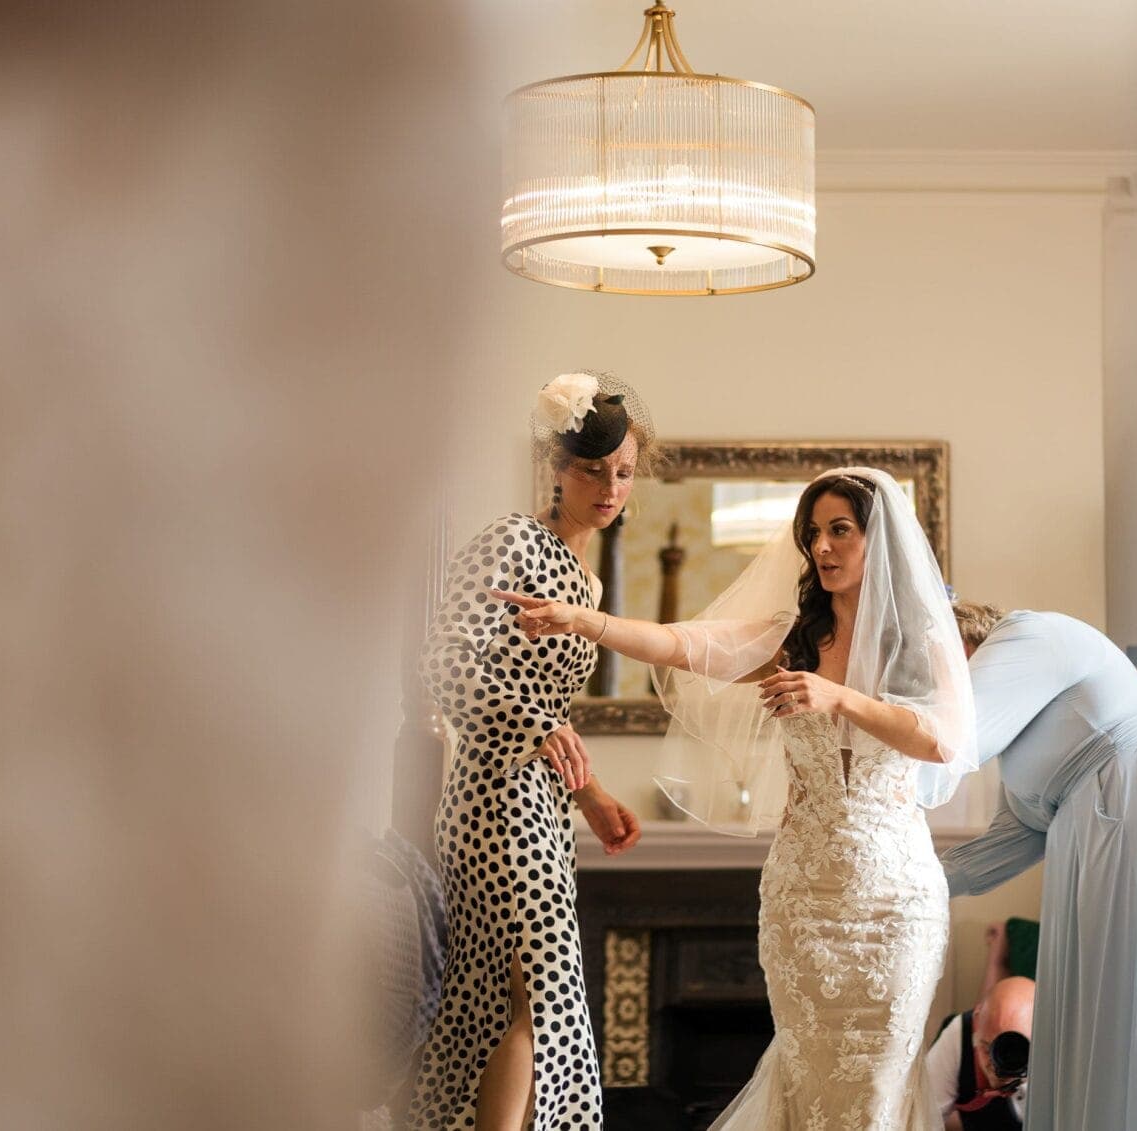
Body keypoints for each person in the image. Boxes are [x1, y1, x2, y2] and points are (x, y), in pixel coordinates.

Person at [499, 467, 978, 1129]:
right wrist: (588, 620)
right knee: (807, 1079)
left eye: (841, 530)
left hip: (895, 901)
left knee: (879, 1084)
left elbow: (944, 741)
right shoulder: (791, 638)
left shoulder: (925, 644)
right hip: (803, 899)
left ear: (880, 541)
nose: (824, 547)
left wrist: (836, 695)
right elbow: (681, 643)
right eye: (813, 533)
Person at [405, 372, 648, 1131]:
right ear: (558, 468)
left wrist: (590, 793)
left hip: (538, 801)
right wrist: (535, 726)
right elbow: (443, 662)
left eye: (625, 472)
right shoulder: (511, 540)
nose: (610, 487)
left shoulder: (586, 581)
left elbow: (552, 717)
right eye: (593, 469)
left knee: (500, 994)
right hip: (489, 795)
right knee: (535, 985)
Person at [940, 603, 1137, 1131]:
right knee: (1094, 1016)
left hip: (1134, 804)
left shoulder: (1028, 633)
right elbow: (1013, 840)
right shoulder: (1022, 753)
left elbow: (943, 744)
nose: (939, 688)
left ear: (969, 643)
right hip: (1085, 843)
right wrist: (912, 883)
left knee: (1132, 998)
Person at [922, 974, 1035, 1131]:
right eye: (987, 1047)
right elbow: (922, 1119)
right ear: (977, 1019)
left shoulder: (1064, 1054)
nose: (995, 1064)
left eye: (1013, 1050)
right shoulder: (962, 1033)